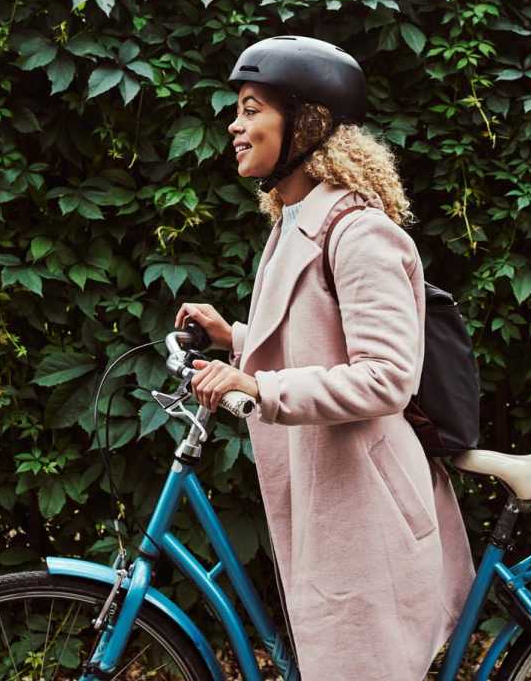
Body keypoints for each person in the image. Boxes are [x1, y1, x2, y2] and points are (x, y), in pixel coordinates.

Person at [175, 35, 475, 681]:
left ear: (306, 124)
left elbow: (386, 376)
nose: (235, 124)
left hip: (366, 508)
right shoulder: (294, 221)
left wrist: (259, 388)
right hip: (331, 491)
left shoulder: (360, 231)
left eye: (252, 108)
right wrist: (236, 337)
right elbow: (321, 337)